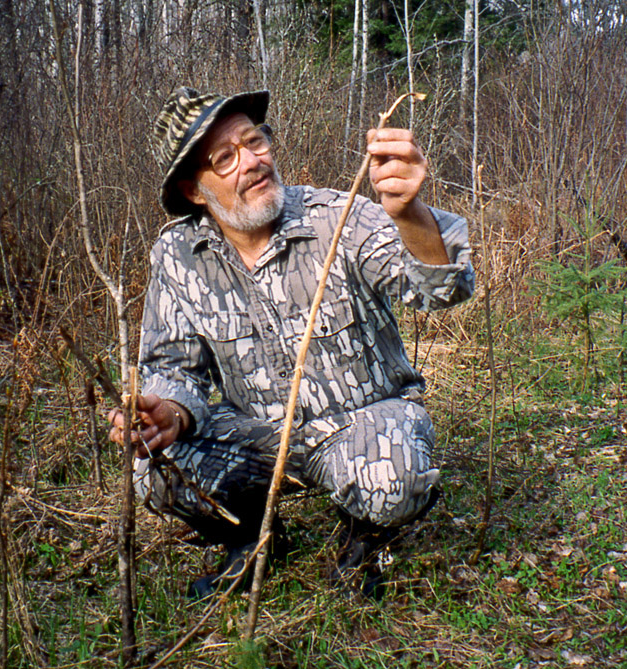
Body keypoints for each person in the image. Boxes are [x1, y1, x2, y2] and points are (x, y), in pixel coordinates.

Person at [108, 86, 474, 599]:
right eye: (226, 157)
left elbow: (441, 289)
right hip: (257, 436)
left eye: (255, 142)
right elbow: (173, 366)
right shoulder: (178, 254)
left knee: (393, 477)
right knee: (155, 471)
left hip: (361, 425)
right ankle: (251, 539)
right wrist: (169, 412)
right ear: (195, 190)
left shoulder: (338, 217)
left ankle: (364, 539)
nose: (253, 161)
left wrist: (409, 213)